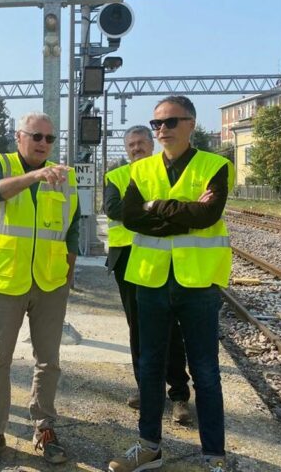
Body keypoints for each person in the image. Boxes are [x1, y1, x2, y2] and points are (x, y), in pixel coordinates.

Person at [109, 96, 234, 472]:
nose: (161, 130)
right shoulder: (141, 170)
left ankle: (214, 455)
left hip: (197, 282)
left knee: (206, 371)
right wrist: (180, 212)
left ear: (191, 124)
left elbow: (208, 214)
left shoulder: (216, 166)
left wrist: (156, 207)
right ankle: (149, 447)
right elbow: (131, 217)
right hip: (150, 279)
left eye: (170, 122)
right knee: (149, 367)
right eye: (156, 124)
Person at [0, 111, 80, 470]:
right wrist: (33, 175)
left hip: (50, 281)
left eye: (49, 139)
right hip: (7, 281)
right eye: (36, 137)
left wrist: (70, 267)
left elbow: (72, 225)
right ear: (19, 137)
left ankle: (44, 426)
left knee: (48, 361)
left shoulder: (65, 177)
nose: (43, 144)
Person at [103, 126, 192, 423]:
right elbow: (116, 210)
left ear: (151, 143)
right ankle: (145, 388)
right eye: (131, 144)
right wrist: (157, 208)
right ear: (126, 148)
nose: (136, 148)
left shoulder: (167, 173)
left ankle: (179, 395)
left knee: (172, 326)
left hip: (165, 257)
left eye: (141, 142)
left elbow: (182, 210)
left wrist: (145, 210)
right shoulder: (116, 176)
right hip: (128, 260)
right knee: (138, 327)